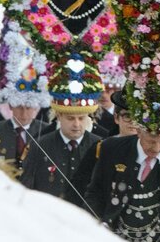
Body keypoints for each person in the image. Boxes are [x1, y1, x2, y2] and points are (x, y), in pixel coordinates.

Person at [85, 125, 160, 242]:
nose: (156, 148)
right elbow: (95, 192)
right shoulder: (112, 148)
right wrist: (95, 223)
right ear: (138, 131)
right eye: (151, 141)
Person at [19, 56, 102, 199]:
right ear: (58, 116)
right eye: (70, 118)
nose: (76, 124)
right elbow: (25, 190)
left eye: (81, 118)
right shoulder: (39, 146)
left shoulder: (100, 146)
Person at [68, 90, 137, 208]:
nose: (132, 122)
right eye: (127, 116)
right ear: (116, 117)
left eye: (137, 116)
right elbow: (78, 188)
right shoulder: (101, 148)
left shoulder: (150, 150)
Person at [0, 103, 45, 171]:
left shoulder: (47, 131)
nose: (24, 113)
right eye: (19, 107)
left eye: (28, 108)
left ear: (35, 108)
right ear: (11, 106)